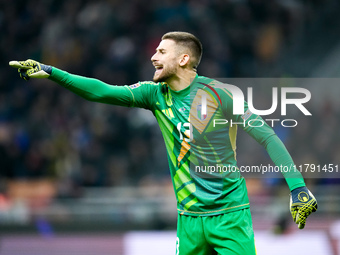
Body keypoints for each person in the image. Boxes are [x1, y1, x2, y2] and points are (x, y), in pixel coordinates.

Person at [10, 31, 317, 255]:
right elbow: (101, 91)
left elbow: (267, 136)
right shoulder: (154, 95)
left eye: (161, 51)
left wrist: (297, 187)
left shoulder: (221, 94)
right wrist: (51, 72)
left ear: (183, 59)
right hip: (189, 221)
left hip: (230, 215)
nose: (153, 56)